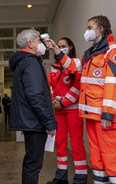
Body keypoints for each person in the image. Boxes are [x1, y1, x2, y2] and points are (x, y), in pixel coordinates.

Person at [45, 15, 116, 184]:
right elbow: (73, 65)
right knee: (96, 154)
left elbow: (114, 84)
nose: (87, 31)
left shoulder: (113, 52)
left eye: (90, 28)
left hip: (104, 116)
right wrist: (55, 48)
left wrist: (108, 114)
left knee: (110, 153)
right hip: (90, 114)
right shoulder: (91, 54)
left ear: (101, 29)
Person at [9, 29, 57, 184]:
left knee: (31, 162)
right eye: (38, 41)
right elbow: (35, 96)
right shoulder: (30, 62)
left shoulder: (25, 61)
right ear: (30, 44)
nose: (41, 44)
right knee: (33, 164)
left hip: (31, 121)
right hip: (35, 122)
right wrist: (49, 122)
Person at [47, 37, 88, 184]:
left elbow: (78, 86)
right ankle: (61, 177)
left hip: (72, 110)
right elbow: (50, 84)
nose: (61, 47)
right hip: (58, 111)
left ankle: (81, 177)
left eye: (63, 45)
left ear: (70, 47)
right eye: (58, 46)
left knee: (76, 143)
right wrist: (54, 101)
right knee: (60, 142)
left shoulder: (77, 64)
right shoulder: (54, 66)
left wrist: (63, 103)